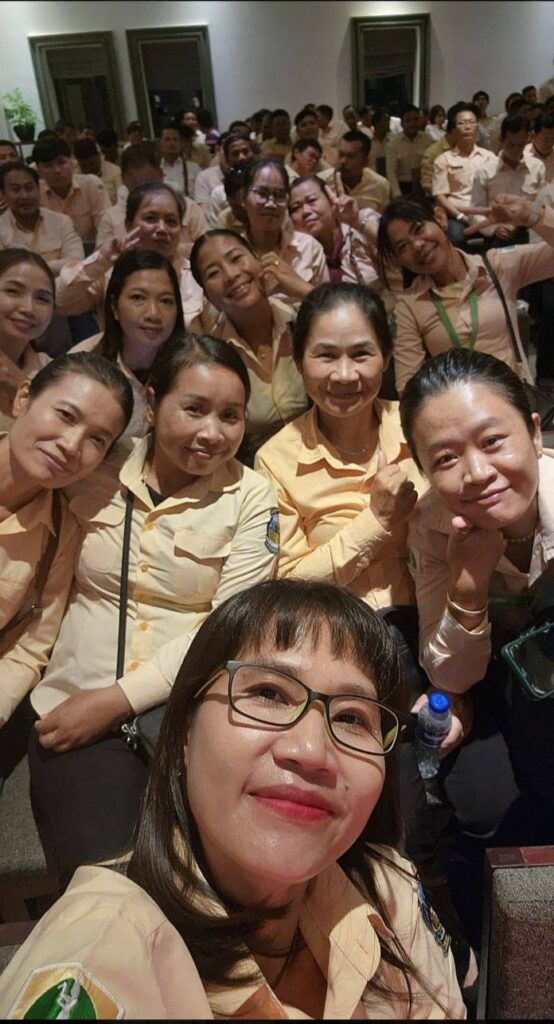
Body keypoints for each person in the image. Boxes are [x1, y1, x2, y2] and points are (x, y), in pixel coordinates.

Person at [0, 578, 466, 1020]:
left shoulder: (392, 889)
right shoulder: (99, 956)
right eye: (268, 693)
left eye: (351, 718)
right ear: (184, 734)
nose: (311, 750)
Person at [23, 332, 278, 878]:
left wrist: (119, 699)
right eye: (194, 409)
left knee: (218, 877)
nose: (212, 433)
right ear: (153, 400)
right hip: (75, 705)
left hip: (190, 713)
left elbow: (229, 625)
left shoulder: (252, 497)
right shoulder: (94, 466)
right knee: (110, 881)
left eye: (230, 416)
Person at [399, 348, 554, 942]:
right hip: (494, 691)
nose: (477, 473)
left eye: (493, 441)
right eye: (445, 458)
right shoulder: (431, 526)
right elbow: (450, 676)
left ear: (534, 431)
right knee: (482, 807)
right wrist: (469, 583)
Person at [0, 352, 132, 777]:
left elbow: (28, 649)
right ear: (23, 398)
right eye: (65, 415)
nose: (72, 446)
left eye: (97, 440)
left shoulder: (61, 534)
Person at [255, 281, 422, 610]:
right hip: (341, 630)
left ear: (386, 356)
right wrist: (376, 521)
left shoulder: (417, 428)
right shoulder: (276, 460)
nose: (344, 375)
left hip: (433, 622)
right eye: (326, 356)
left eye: (361, 354)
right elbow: (288, 584)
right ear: (299, 361)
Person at [376, 193, 554, 394]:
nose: (417, 245)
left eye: (418, 229)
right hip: (458, 407)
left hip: (517, 401)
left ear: (441, 218)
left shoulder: (497, 266)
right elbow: (408, 387)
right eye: (402, 247)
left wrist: (532, 216)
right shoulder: (409, 306)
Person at [190, 229, 308, 458]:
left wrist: (303, 289)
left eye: (236, 258)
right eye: (213, 273)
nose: (230, 275)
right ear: (207, 296)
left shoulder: (303, 321)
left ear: (257, 259)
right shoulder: (214, 357)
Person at [69, 249, 184, 436]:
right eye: (138, 298)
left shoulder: (189, 365)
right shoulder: (83, 363)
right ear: (114, 307)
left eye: (165, 301)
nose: (153, 314)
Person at [56, 182, 204, 327]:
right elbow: (62, 303)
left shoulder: (196, 277)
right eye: (150, 218)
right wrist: (101, 260)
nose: (162, 229)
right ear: (128, 225)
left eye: (171, 221)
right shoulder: (108, 273)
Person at [238, 158, 329, 297]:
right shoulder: (231, 254)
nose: (271, 204)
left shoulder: (308, 248)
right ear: (244, 198)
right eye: (262, 193)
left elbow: (328, 305)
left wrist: (300, 286)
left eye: (279, 195)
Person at [96, 144, 207, 251]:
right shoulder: (111, 218)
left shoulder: (189, 208)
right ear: (123, 179)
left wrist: (168, 248)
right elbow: (102, 258)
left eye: (170, 221)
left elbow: (206, 248)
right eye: (137, 188)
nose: (145, 194)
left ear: (161, 175)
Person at [289, 174, 379, 287]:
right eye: (296, 208)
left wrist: (357, 221)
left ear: (330, 200)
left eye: (312, 200)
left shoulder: (363, 222)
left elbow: (394, 249)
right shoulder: (298, 253)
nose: (306, 211)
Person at [470, 115, 545, 243]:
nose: (516, 150)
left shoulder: (537, 167)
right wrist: (493, 229)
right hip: (497, 231)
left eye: (520, 145)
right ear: (501, 140)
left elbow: (542, 206)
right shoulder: (485, 171)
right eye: (511, 145)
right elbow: (475, 212)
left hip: (529, 231)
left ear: (527, 140)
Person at [0, 162, 84, 274]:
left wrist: (27, 268)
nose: (24, 196)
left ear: (39, 190)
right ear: (3, 195)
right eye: (16, 190)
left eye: (29, 188)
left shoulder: (62, 222)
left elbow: (76, 262)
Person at [0, 250, 56, 417]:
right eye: (13, 291)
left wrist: (23, 387)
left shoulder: (52, 371)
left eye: (42, 299)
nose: (28, 308)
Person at [432, 104, 497, 245]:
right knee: (456, 237)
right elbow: (440, 195)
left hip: (485, 214)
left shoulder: (490, 157)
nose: (467, 127)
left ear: (477, 127)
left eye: (471, 122)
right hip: (457, 215)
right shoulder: (443, 159)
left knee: (500, 235)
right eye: (461, 123)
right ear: (454, 130)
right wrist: (460, 216)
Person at [34, 138, 111, 248]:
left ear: (71, 161)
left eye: (61, 162)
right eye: (49, 165)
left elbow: (105, 227)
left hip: (93, 251)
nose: (57, 170)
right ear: (39, 169)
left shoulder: (91, 184)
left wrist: (101, 254)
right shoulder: (35, 194)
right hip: (54, 253)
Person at [321, 130, 390, 213]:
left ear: (365, 162)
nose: (343, 161)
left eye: (350, 156)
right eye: (341, 154)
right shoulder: (322, 181)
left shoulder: (380, 185)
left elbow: (382, 219)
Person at [207, 132, 256, 225]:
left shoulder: (269, 186)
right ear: (227, 159)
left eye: (245, 152)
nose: (242, 157)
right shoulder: (218, 193)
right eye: (235, 154)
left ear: (254, 153)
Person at [385, 105, 430, 197]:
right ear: (402, 123)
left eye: (416, 119)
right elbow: (391, 173)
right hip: (402, 187)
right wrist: (397, 195)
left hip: (423, 187)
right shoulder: (393, 144)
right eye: (408, 120)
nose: (412, 123)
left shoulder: (428, 140)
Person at [73, 137, 122, 204]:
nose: (88, 168)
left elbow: (122, 202)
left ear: (98, 155)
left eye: (92, 164)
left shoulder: (116, 172)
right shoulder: (74, 176)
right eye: (83, 166)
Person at [159, 123, 200, 198]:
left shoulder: (193, 168)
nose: (172, 143)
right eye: (167, 139)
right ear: (160, 143)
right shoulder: (155, 169)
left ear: (181, 144)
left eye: (175, 139)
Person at [525, 110, 554, 183]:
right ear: (533, 135)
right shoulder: (523, 156)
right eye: (545, 139)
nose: (550, 143)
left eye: (553, 138)